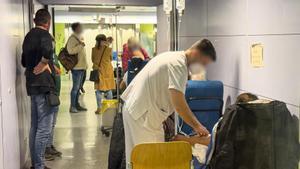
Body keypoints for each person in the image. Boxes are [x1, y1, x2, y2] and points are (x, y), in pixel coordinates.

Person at [121, 39, 217, 165]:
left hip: (136, 111)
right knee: (151, 161)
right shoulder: (178, 64)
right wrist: (197, 126)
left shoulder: (171, 57)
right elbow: (179, 103)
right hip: (143, 117)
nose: (202, 68)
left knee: (137, 161)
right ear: (196, 54)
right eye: (203, 63)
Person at [21, 9, 56, 169]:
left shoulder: (28, 36)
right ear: (47, 23)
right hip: (43, 86)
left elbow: (23, 61)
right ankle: (39, 166)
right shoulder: (45, 35)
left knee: (35, 126)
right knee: (44, 128)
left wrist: (41, 64)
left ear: (35, 21)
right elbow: (48, 50)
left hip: (31, 85)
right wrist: (43, 63)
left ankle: (36, 165)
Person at [45, 37, 62, 161]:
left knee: (53, 124)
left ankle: (49, 145)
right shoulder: (46, 57)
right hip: (50, 93)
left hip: (56, 93)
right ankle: (45, 148)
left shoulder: (53, 55)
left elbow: (57, 70)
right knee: (47, 124)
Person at [91, 34, 116, 114]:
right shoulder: (108, 49)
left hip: (98, 70)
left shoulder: (94, 49)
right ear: (104, 40)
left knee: (98, 90)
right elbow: (111, 58)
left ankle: (99, 108)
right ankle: (109, 108)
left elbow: (93, 59)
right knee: (108, 90)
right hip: (107, 71)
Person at [67, 22, 88, 113]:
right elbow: (70, 51)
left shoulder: (78, 38)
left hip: (82, 67)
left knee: (78, 87)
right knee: (75, 88)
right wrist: (80, 46)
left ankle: (77, 105)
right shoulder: (72, 39)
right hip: (77, 68)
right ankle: (72, 107)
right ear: (76, 29)